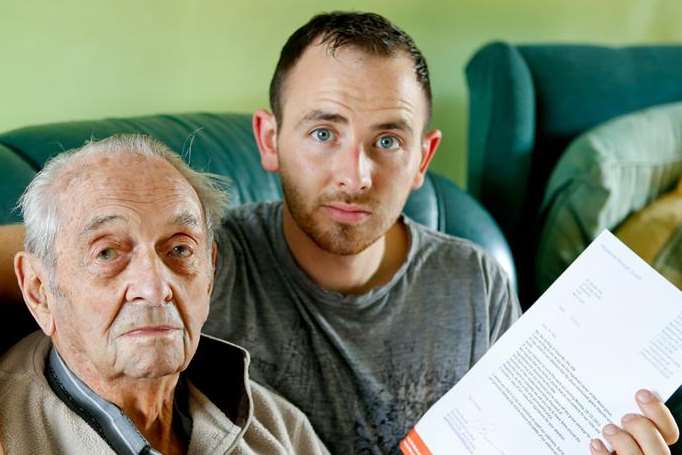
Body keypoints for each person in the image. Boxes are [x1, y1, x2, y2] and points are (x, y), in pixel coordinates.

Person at [0, 11, 678, 455]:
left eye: (388, 140)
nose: (354, 173)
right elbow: (59, 264)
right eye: (323, 133)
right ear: (269, 140)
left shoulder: (475, 281)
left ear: (423, 158)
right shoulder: (197, 256)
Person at [0, 135, 329, 455]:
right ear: (38, 290)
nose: (155, 288)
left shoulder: (277, 426)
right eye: (107, 253)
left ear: (210, 273)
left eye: (180, 248)